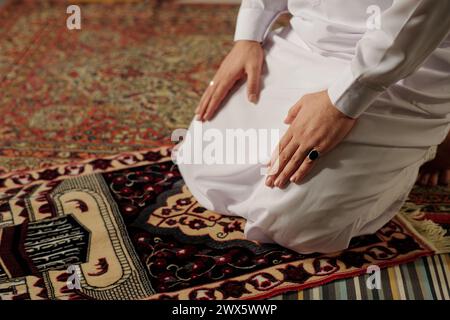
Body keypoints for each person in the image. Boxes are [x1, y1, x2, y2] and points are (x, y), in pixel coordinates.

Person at [175, 0, 450, 253]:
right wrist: (248, 37)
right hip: (307, 41)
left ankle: (431, 142)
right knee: (201, 161)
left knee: (297, 226)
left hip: (410, 65)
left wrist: (341, 103)